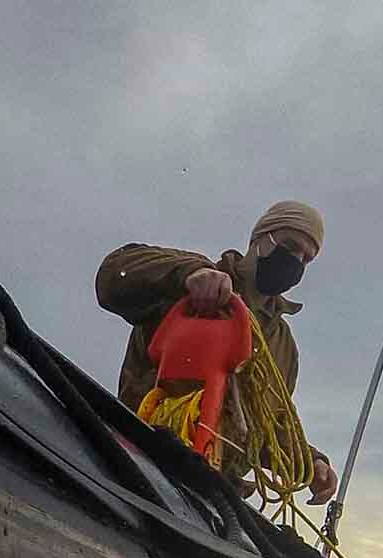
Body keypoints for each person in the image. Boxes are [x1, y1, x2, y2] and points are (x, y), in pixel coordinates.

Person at [95, 200, 337, 503]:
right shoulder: (191, 280)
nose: (296, 262)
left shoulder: (283, 346)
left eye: (306, 259)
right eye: (290, 246)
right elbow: (113, 275)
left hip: (213, 496)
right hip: (142, 462)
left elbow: (267, 428)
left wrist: (309, 461)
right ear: (260, 239)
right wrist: (189, 273)